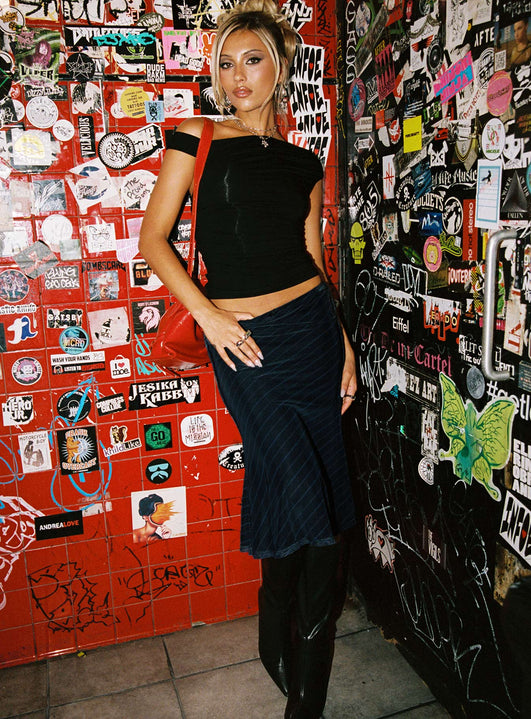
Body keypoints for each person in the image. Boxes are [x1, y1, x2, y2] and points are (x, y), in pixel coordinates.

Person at [139, 1, 357, 716]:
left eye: (252, 59)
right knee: (305, 493)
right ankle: (297, 676)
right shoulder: (196, 135)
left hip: (311, 334)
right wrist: (207, 313)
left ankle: (290, 661)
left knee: (303, 485)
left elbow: (312, 260)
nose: (237, 77)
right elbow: (153, 239)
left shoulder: (303, 162)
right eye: (226, 64)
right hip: (243, 341)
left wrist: (344, 346)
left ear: (280, 66)